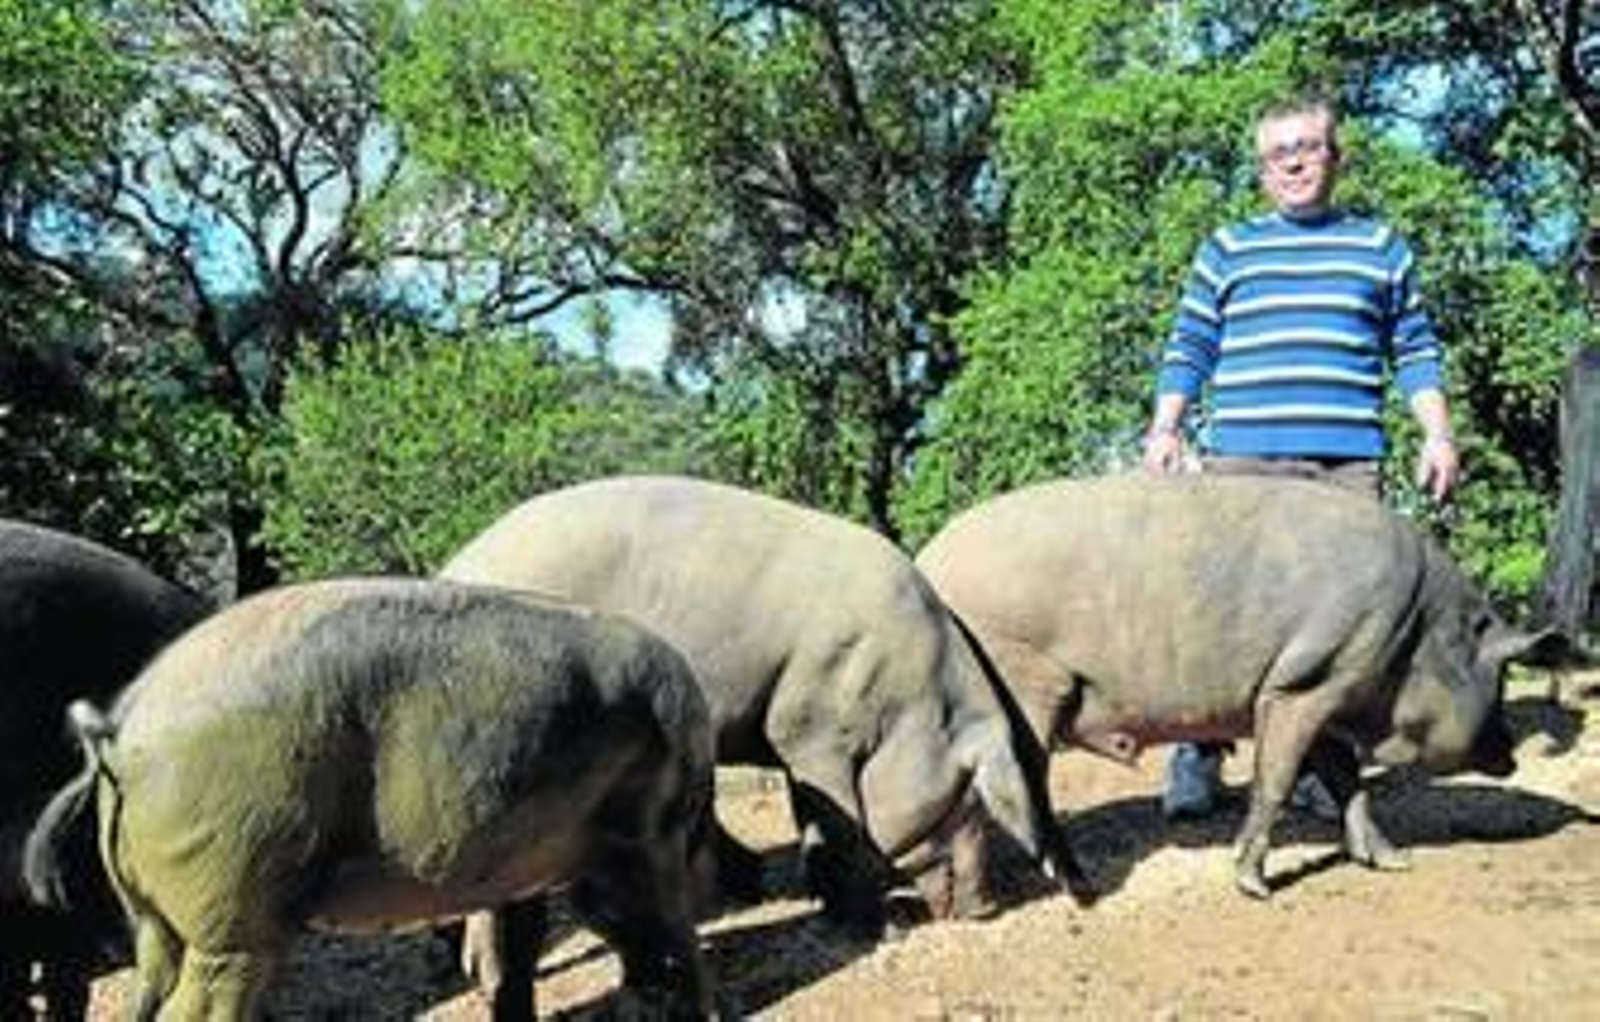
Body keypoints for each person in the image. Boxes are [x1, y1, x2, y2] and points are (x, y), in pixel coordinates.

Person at [1143, 93, 1460, 819]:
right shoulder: (1227, 248)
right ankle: (1198, 755)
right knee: (1220, 615)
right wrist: (1166, 428)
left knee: (1349, 627)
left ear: (1335, 157)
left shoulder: (1380, 247)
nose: (1292, 163)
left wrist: (1438, 435)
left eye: (1307, 147)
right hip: (1241, 467)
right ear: (1262, 170)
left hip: (1345, 469)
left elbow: (1415, 351)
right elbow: (1190, 346)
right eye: (1277, 153)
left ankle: (1325, 769)